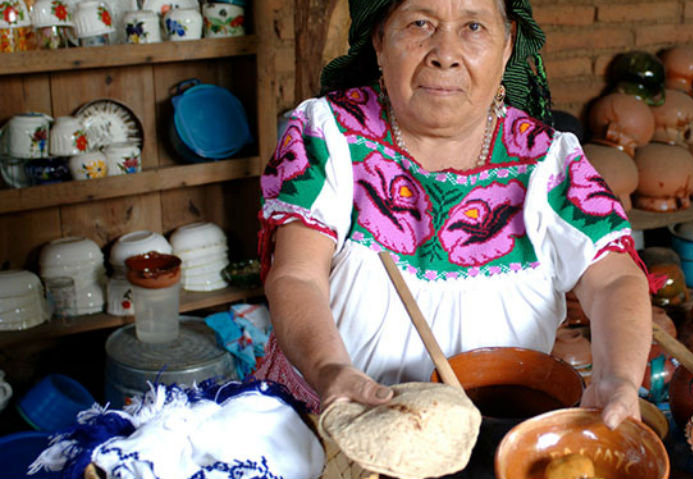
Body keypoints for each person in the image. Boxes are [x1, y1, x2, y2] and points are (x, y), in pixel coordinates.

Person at [254, 0, 653, 430]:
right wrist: (330, 370)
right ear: (379, 41)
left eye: (474, 26)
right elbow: (297, 275)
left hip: (491, 438)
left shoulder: (547, 164)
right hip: (332, 424)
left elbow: (614, 279)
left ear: (506, 48)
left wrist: (618, 377)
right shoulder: (329, 134)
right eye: (420, 23)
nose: (445, 52)